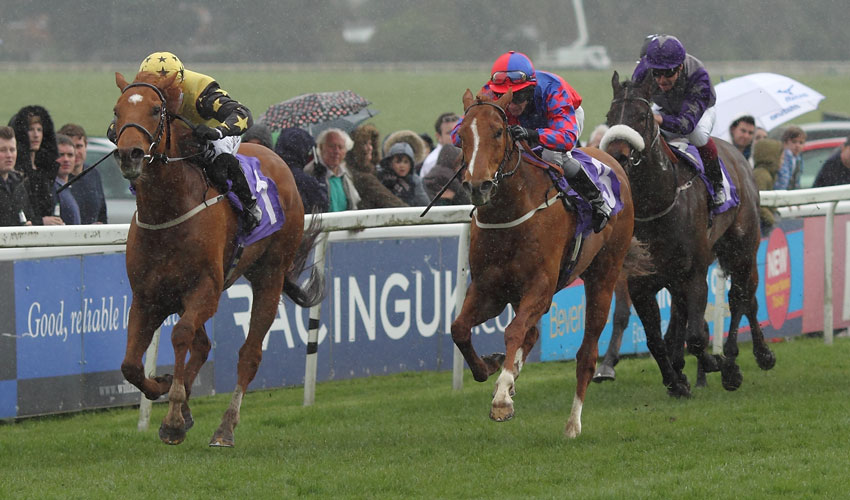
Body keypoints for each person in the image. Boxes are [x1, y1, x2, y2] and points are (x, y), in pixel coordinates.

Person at [455, 50, 611, 232]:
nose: (512, 105)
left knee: (552, 155)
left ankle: (597, 201)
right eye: (504, 97)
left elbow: (566, 138)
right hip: (522, 124)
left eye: (518, 96)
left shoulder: (553, 89)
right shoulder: (489, 92)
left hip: (558, 118)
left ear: (530, 89)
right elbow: (460, 131)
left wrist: (532, 134)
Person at [131, 51, 261, 230]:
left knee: (220, 161)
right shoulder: (140, 92)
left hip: (215, 132)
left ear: (180, 87)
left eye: (167, 96)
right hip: (177, 134)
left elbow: (243, 114)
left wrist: (217, 132)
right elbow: (117, 127)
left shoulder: (202, 92)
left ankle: (250, 207)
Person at [632, 35, 726, 208]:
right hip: (664, 106)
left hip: (698, 111)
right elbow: (633, 102)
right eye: (656, 73)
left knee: (697, 136)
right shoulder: (642, 71)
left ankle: (716, 182)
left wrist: (659, 119)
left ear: (680, 66)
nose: (661, 80)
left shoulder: (699, 76)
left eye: (668, 73)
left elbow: (685, 125)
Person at [8, 104, 62, 225]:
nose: (36, 135)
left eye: (39, 130)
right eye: (30, 129)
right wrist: (40, 221)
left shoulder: (44, 172)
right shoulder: (14, 171)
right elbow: (13, 212)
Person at [346, 124, 408, 209]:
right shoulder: (363, 177)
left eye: (370, 143)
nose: (370, 148)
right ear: (355, 148)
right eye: (364, 144)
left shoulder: (368, 172)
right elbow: (392, 203)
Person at [57, 123, 107, 224]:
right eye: (71, 147)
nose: (75, 152)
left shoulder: (93, 174)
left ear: (86, 146)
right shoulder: (57, 180)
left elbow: (102, 215)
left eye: (79, 146)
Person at [304, 128, 361, 212]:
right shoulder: (311, 172)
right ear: (321, 147)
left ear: (345, 152)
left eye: (340, 147)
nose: (336, 151)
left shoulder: (346, 174)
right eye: (332, 146)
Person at [273, 127, 328, 214]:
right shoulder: (305, 182)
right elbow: (322, 206)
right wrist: (321, 179)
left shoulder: (268, 175)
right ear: (302, 151)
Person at [377, 141, 430, 207]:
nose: (402, 166)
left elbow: (425, 204)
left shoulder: (415, 181)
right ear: (390, 163)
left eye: (406, 162)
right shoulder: (381, 176)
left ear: (411, 164)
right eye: (398, 162)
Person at [0, 126, 34, 226]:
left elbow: (30, 216)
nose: (9, 155)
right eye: (3, 150)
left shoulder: (19, 184)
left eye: (12, 149)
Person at [751, 138, 783, 232]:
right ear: (771, 158)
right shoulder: (761, 175)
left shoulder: (768, 174)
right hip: (760, 226)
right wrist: (771, 220)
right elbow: (758, 202)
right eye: (781, 158)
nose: (783, 161)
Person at [419, 112, 460, 178]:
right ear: (438, 137)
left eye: (458, 131)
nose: (456, 136)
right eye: (450, 133)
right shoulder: (433, 161)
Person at [52, 134, 81, 225]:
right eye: (61, 155)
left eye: (70, 155)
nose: (66, 159)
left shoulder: (68, 188)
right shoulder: (49, 188)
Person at [774, 125, 806, 190]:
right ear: (785, 143)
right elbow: (783, 179)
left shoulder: (799, 159)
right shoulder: (783, 156)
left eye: (801, 143)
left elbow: (797, 179)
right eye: (794, 142)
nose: (797, 145)